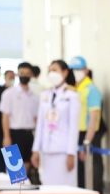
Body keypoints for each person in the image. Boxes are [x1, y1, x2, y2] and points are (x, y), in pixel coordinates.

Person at [30, 59, 80, 187]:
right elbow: (40, 124)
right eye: (50, 70)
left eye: (55, 70)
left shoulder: (72, 95)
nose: (52, 73)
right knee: (47, 186)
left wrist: (71, 153)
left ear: (65, 72)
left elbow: (74, 127)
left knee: (65, 188)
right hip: (46, 150)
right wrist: (36, 150)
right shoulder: (45, 95)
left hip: (63, 150)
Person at [0, 61, 39, 184]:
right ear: (18, 74)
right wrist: (6, 137)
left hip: (29, 134)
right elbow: (5, 116)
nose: (24, 76)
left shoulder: (35, 96)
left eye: (27, 73)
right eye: (22, 73)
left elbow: (36, 119)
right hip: (14, 133)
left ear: (31, 75)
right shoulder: (9, 93)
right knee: (15, 172)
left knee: (27, 167)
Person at [71, 56, 105, 191]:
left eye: (78, 69)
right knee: (79, 171)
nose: (76, 72)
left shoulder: (92, 90)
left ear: (85, 70)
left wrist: (87, 141)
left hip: (88, 135)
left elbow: (94, 118)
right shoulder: (75, 89)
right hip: (76, 133)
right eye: (73, 69)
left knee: (92, 168)